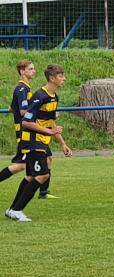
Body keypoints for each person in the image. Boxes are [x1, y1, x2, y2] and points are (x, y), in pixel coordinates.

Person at [6, 65, 71, 222]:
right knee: (42, 175)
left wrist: (62, 144)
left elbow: (51, 123)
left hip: (41, 140)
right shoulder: (40, 96)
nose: (64, 79)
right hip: (32, 140)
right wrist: (48, 132)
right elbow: (26, 122)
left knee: (30, 176)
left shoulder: (54, 97)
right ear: (52, 78)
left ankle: (12, 210)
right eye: (61, 76)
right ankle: (17, 210)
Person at [0, 60, 38, 186]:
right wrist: (41, 112)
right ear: (22, 71)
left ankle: (39, 192)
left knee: (32, 166)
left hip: (26, 130)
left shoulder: (23, 88)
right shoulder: (22, 89)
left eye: (34, 68)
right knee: (20, 165)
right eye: (30, 69)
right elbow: (23, 111)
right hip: (24, 131)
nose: (34, 71)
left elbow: (11, 108)